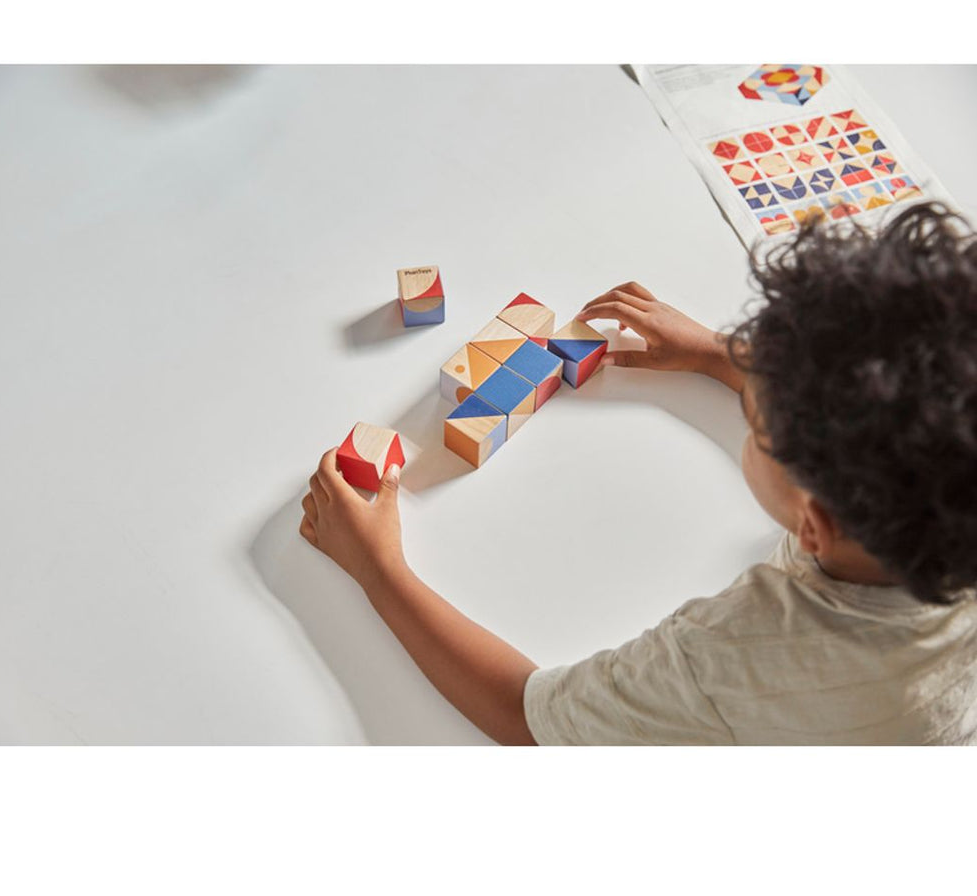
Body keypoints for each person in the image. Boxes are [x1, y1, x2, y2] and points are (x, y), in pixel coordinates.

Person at [298, 202, 977, 745]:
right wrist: (717, 355)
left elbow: (526, 716)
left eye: (758, 408)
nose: (750, 381)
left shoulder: (735, 658)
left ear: (815, 521)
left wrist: (378, 567)